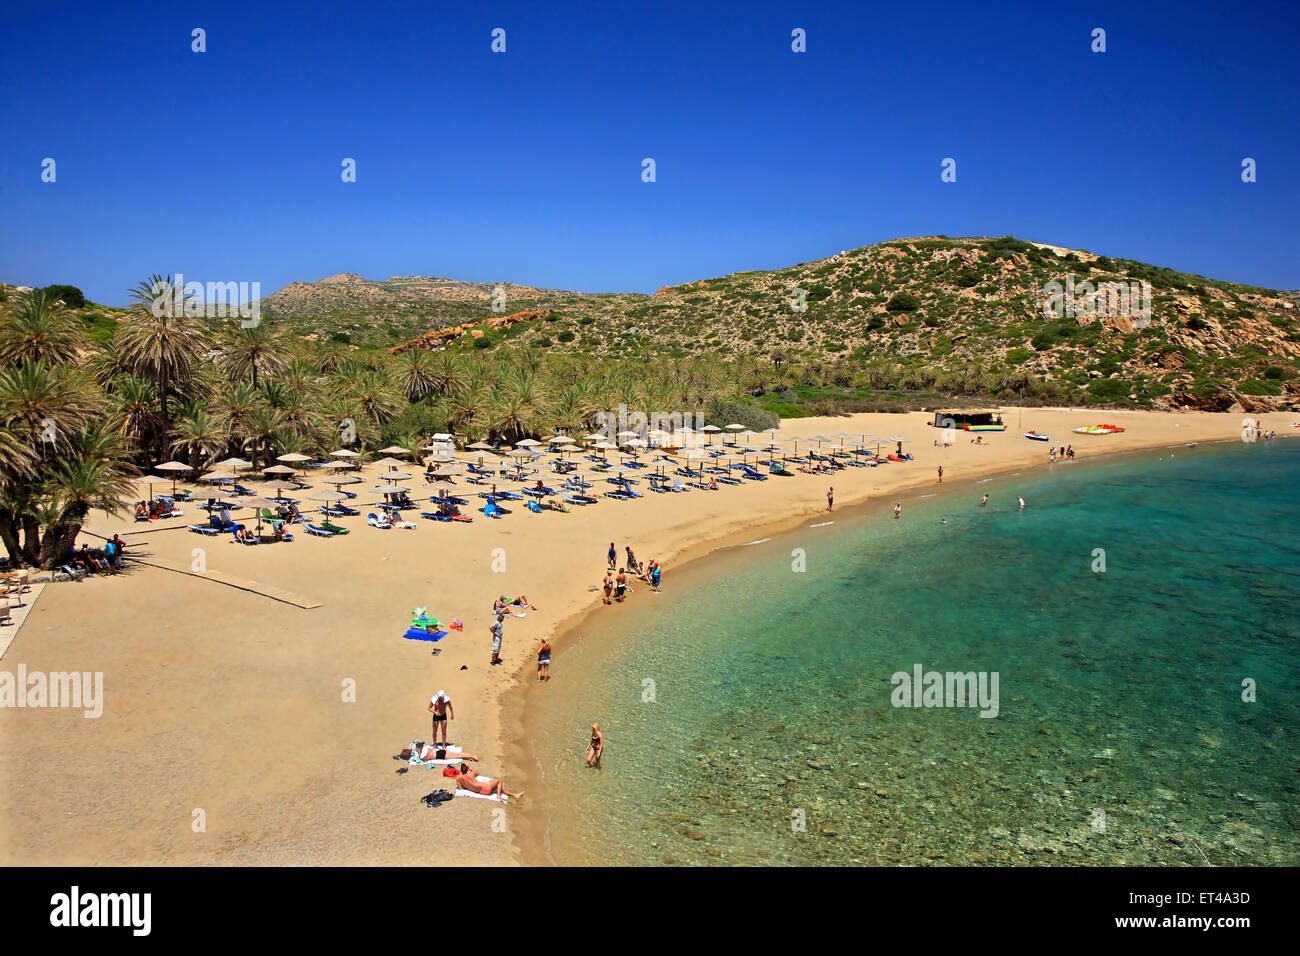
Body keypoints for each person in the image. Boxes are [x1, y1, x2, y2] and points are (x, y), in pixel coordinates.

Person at [454, 762, 523, 800]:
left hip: (481, 792)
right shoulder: (471, 774)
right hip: (485, 788)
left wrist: (467, 786)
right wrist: (470, 768)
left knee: (500, 789)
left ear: (461, 770)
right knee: (499, 781)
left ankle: (515, 795)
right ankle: (498, 796)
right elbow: (477, 773)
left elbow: (460, 788)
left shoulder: (458, 778)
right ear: (467, 769)